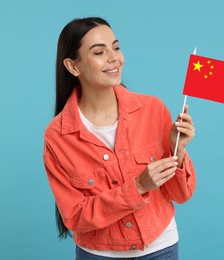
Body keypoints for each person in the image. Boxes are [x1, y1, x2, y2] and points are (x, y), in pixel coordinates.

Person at [43, 17, 196, 259]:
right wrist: (138, 187)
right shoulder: (58, 136)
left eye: (116, 47)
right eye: (99, 52)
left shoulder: (153, 109)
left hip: (161, 249)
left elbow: (181, 195)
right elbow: (75, 216)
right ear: (73, 67)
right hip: (98, 254)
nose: (114, 58)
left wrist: (179, 150)